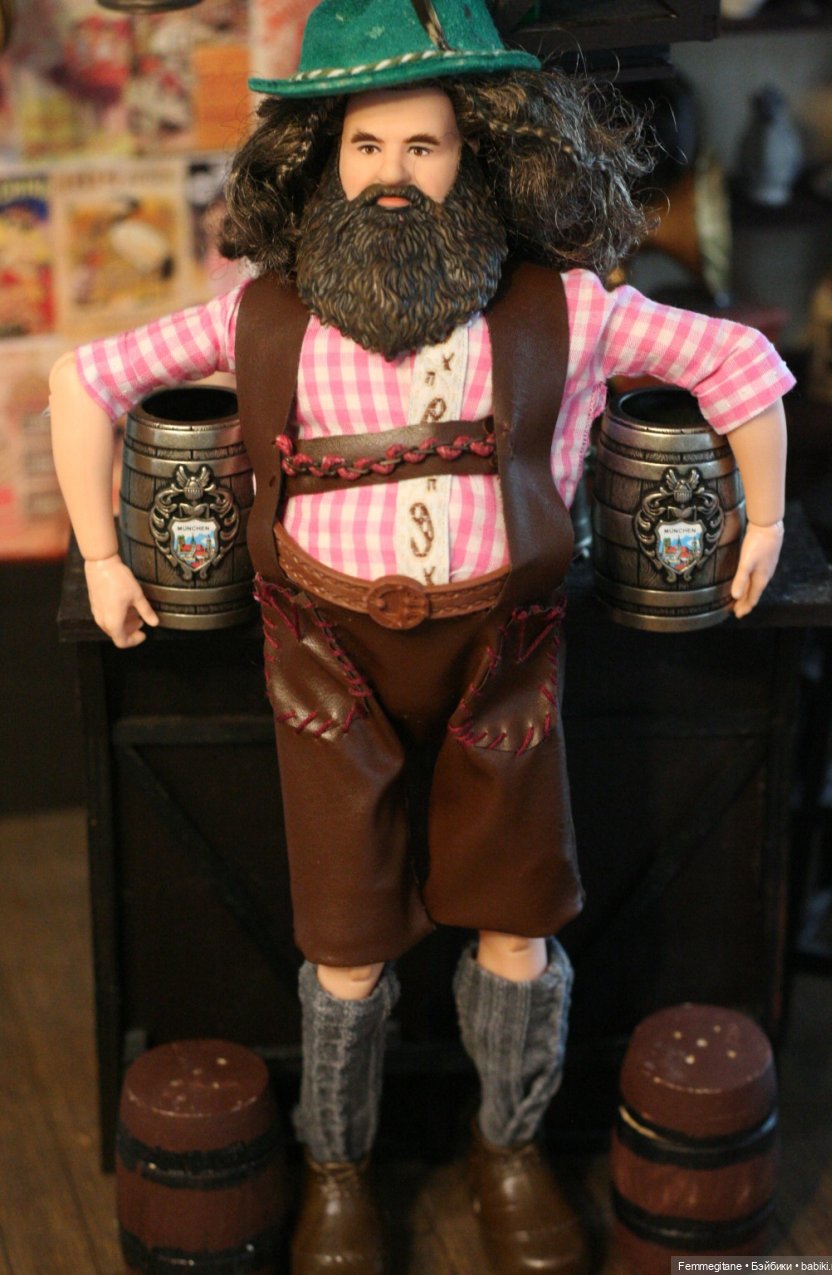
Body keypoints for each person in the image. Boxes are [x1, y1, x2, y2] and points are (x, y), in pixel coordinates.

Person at [49, 3, 793, 1272]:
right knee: (342, 945)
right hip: (322, 669)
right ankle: (339, 1170)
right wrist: (107, 557)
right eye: (367, 146)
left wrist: (762, 522)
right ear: (320, 162)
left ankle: (508, 1149)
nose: (392, 173)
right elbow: (86, 379)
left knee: (517, 928)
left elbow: (737, 365)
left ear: (480, 155)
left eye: (424, 146)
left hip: (505, 664)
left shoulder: (567, 311)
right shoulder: (259, 316)